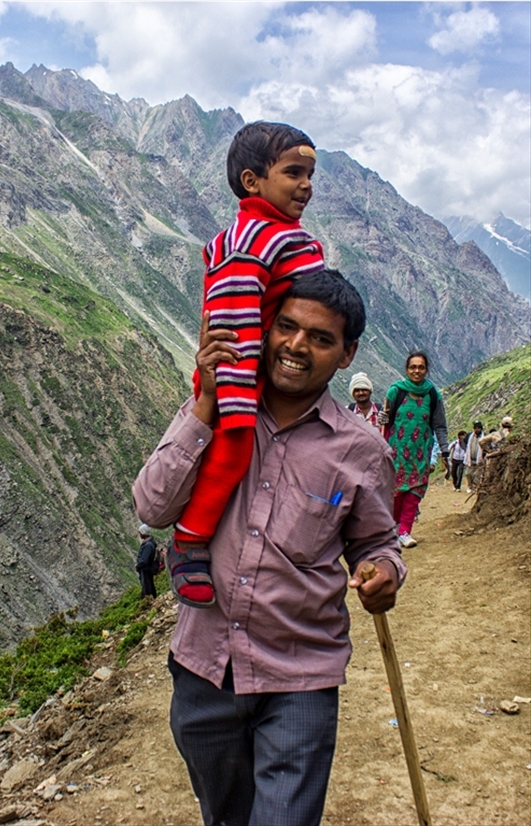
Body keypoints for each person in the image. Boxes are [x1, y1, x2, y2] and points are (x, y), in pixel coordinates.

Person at [133, 269, 405, 826]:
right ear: (266, 327)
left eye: (321, 338)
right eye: (286, 327)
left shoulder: (362, 450)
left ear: (347, 353)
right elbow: (152, 508)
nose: (297, 347)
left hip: (300, 676)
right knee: (225, 817)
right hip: (204, 668)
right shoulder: (215, 412)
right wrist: (206, 405)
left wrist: (383, 572)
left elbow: (376, 542)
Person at [170, 121, 326, 609]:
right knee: (233, 453)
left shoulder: (276, 234)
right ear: (252, 182)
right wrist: (231, 399)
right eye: (293, 172)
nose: (306, 185)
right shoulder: (253, 240)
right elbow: (233, 318)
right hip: (233, 374)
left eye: (310, 174)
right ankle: (189, 541)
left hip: (250, 373)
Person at [379, 350, 449, 548]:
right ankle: (392, 529)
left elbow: (440, 426)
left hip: (420, 454)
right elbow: (386, 420)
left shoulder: (432, 394)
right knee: (396, 493)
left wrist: (444, 450)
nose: (416, 371)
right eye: (413, 367)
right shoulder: (395, 391)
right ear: (406, 369)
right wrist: (383, 420)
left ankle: (405, 532)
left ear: (426, 370)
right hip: (396, 453)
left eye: (421, 367)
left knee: (414, 494)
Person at [135, 524, 159, 598]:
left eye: (140, 532)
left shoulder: (148, 545)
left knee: (147, 586)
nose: (139, 534)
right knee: (149, 584)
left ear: (143, 533)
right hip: (147, 569)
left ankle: (149, 600)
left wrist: (138, 566)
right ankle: (153, 598)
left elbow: (144, 560)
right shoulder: (150, 543)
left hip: (146, 570)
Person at [464, 420, 484, 493]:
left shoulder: (484, 437)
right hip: (470, 458)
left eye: (478, 428)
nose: (477, 429)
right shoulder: (469, 436)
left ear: (481, 429)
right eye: (475, 428)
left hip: (479, 459)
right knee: (468, 473)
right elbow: (464, 444)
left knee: (477, 475)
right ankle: (469, 486)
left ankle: (475, 487)